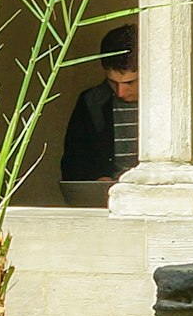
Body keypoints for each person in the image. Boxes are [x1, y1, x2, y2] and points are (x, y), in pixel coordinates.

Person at [57, 24, 136, 206]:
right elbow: (73, 162)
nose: (121, 92)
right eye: (112, 82)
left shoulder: (167, 104)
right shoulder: (92, 102)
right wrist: (97, 179)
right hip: (108, 205)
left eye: (130, 82)